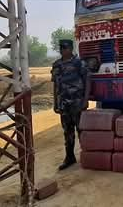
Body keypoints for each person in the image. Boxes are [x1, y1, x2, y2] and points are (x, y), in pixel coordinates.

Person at [51, 39, 89, 171]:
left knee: (81, 130)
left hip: (77, 102)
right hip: (64, 103)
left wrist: (85, 99)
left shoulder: (79, 63)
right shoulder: (56, 65)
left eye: (65, 47)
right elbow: (55, 85)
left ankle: (87, 157)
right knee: (67, 131)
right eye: (61, 48)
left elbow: (87, 80)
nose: (63, 50)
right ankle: (70, 157)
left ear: (71, 48)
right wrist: (55, 102)